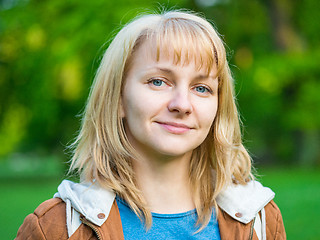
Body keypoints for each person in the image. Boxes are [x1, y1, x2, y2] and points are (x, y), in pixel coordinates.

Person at [16, 10, 286, 240]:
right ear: (118, 99)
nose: (182, 104)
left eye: (201, 88)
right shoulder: (55, 228)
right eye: (158, 81)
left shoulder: (259, 222)